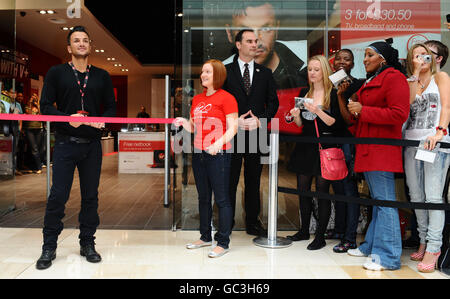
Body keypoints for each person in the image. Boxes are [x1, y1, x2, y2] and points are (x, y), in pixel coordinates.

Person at [36, 26, 116, 270]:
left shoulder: (102, 75)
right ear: (69, 48)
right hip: (65, 144)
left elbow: (111, 108)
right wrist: (65, 117)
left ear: (89, 46)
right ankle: (49, 246)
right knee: (58, 196)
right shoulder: (56, 73)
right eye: (76, 41)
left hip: (92, 146)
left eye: (85, 40)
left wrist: (105, 120)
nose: (81, 44)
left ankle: (87, 243)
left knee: (90, 197)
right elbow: (45, 106)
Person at [345, 41, 410, 271]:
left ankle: (389, 257)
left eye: (369, 55)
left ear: (382, 58)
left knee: (385, 203)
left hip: (381, 149)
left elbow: (399, 114)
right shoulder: (373, 79)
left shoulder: (394, 78)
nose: (365, 59)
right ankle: (371, 245)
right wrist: (355, 108)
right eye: (364, 55)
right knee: (378, 201)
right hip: (369, 147)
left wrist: (363, 110)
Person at [175, 59, 238, 258]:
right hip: (199, 153)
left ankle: (223, 242)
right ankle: (204, 237)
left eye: (208, 72)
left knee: (222, 199)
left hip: (219, 154)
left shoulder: (227, 98)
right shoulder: (197, 99)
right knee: (203, 198)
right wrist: (184, 122)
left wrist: (218, 144)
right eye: (203, 72)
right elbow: (194, 127)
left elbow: (233, 128)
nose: (203, 75)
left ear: (217, 74)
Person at [286, 55, 347, 250]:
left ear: (324, 72)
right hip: (306, 145)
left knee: (322, 192)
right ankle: (304, 230)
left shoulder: (334, 93)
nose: (311, 73)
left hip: (325, 146)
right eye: (310, 69)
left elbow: (335, 123)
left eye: (316, 69)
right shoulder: (305, 92)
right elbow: (301, 124)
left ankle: (319, 236)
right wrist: (296, 116)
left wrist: (317, 110)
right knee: (302, 191)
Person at [222, 29, 279, 236]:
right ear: (238, 45)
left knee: (254, 181)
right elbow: (218, 103)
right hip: (231, 134)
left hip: (256, 134)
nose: (255, 44)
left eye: (256, 41)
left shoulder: (265, 73)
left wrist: (260, 120)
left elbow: (274, 102)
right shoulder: (225, 71)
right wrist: (233, 121)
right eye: (249, 41)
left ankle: (253, 222)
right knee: (229, 180)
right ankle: (225, 221)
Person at [403, 43, 450, 273]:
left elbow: (447, 106)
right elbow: (408, 103)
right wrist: (414, 73)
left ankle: (434, 246)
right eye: (416, 55)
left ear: (435, 58)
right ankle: (422, 239)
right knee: (416, 194)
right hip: (411, 143)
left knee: (432, 196)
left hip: (435, 143)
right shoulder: (411, 80)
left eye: (425, 55)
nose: (421, 58)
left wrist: (440, 131)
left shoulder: (440, 77)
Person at [223, 1, 308, 90]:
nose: (256, 42)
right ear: (229, 33)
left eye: (265, 28)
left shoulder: (308, 55)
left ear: (276, 29)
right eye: (245, 31)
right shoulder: (218, 76)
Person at [328, 49, 365, 253]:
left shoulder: (358, 84)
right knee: (338, 189)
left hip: (349, 141)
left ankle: (350, 237)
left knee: (349, 188)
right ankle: (340, 229)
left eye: (347, 59)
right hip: (331, 141)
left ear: (352, 64)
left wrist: (342, 94)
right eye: (339, 58)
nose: (342, 62)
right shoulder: (327, 84)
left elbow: (350, 118)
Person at [23, 93, 43, 174]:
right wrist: (31, 103)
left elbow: (42, 115)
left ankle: (34, 166)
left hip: (39, 129)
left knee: (37, 148)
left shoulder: (39, 106)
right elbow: (29, 113)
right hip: (30, 129)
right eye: (32, 97)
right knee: (34, 148)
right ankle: (39, 167)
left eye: (35, 97)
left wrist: (37, 105)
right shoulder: (27, 106)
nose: (33, 98)